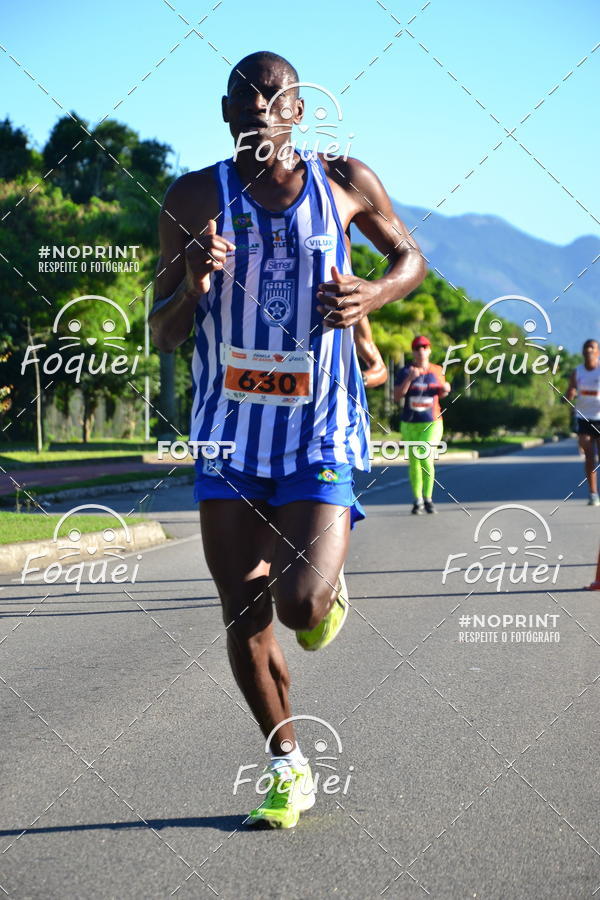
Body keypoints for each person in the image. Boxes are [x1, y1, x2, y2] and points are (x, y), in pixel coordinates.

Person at [149, 50, 426, 829]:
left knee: (299, 607)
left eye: (279, 97)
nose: (264, 107)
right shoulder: (193, 197)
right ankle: (285, 764)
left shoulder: (345, 182)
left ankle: (321, 587)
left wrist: (375, 289)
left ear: (300, 111)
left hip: (320, 426)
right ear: (228, 113)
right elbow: (163, 332)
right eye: (248, 97)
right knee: (243, 609)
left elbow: (410, 257)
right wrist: (194, 282)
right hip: (227, 434)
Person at [394, 335, 450, 514]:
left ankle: (428, 498)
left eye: (424, 347)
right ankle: (418, 500)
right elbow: (396, 396)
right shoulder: (405, 371)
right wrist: (410, 378)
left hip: (432, 423)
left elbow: (442, 392)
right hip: (410, 423)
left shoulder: (437, 370)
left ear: (430, 350)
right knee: (414, 463)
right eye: (417, 348)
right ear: (413, 351)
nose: (421, 351)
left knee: (425, 456)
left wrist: (446, 389)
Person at [566, 338, 600, 506]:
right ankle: (593, 493)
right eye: (586, 348)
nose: (589, 351)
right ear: (582, 352)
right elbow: (569, 391)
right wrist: (570, 393)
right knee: (588, 454)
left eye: (592, 348)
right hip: (583, 417)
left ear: (598, 353)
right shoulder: (577, 372)